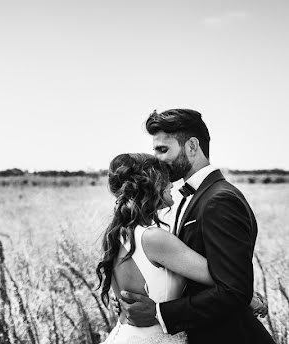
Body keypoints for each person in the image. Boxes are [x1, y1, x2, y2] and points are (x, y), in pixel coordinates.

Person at [117, 109, 274, 344]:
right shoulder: (190, 196)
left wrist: (159, 313)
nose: (156, 159)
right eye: (155, 150)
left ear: (192, 146)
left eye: (163, 149)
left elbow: (234, 290)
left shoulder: (220, 200)